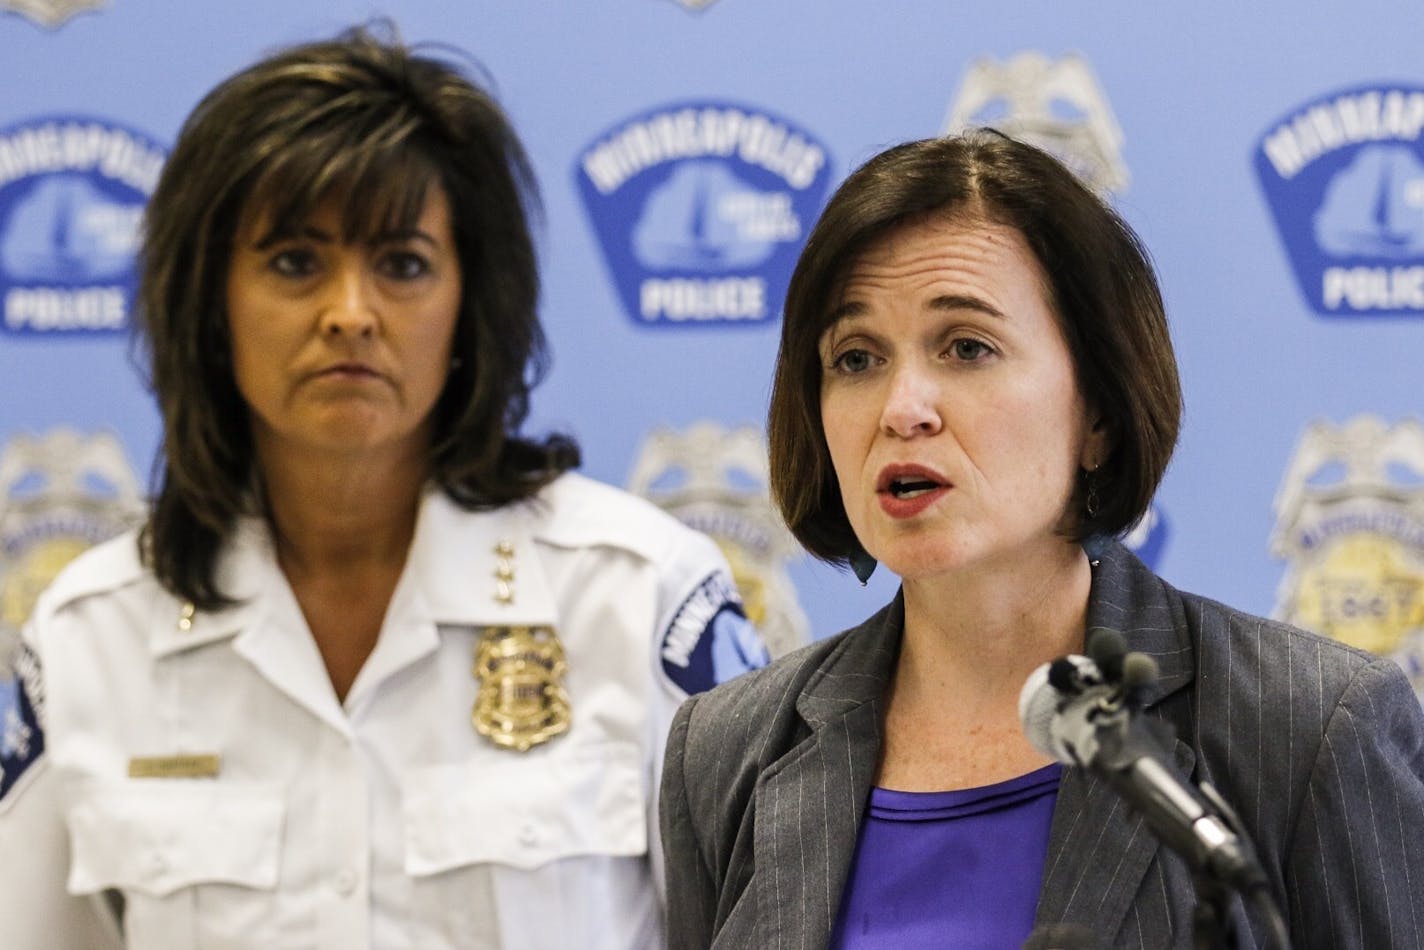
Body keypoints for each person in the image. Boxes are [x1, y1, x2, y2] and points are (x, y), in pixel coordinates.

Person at [0, 26, 767, 950]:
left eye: (402, 263)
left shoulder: (640, 596)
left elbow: (772, 923)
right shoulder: (91, 637)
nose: (350, 313)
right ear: (209, 301)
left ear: (468, 306)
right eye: (295, 261)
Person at [660, 130, 1424, 949]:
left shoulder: (1306, 728)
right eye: (855, 358)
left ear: (1097, 412)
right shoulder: (729, 750)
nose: (901, 407)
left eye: (967, 347)